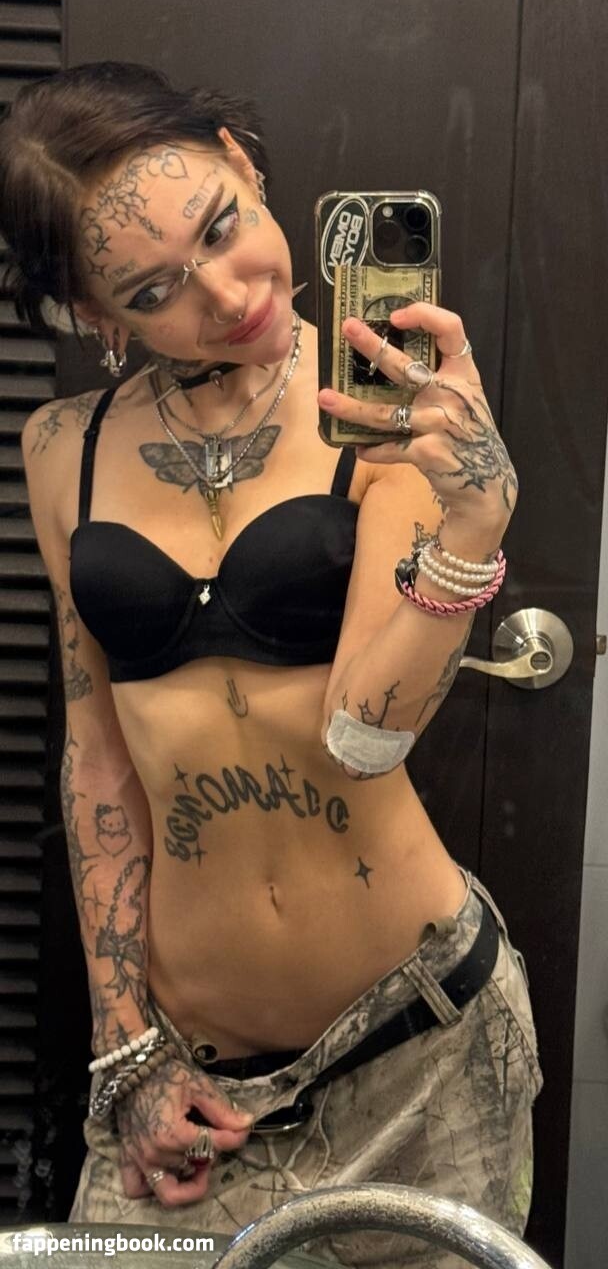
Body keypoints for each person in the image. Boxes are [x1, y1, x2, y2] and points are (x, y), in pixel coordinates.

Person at [2, 61, 542, 1262]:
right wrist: (123, 1043)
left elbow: (363, 731)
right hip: (193, 1081)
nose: (228, 293)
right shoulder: (62, 451)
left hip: (419, 1048)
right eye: (154, 289)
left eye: (221, 226)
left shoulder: (382, 413)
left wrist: (471, 524)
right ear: (95, 314)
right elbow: (97, 760)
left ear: (241, 159)